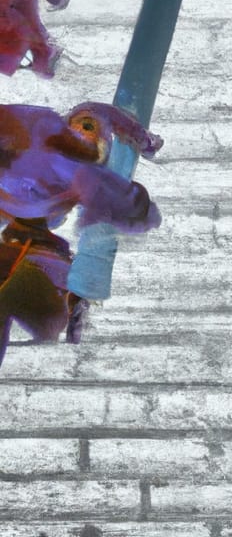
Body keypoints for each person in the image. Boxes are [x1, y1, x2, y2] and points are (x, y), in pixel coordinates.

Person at [0, 102, 162, 365]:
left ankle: (66, 296)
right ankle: (67, 297)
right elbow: (129, 204)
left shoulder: (59, 145)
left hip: (32, 245)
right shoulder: (74, 167)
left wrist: (145, 142)